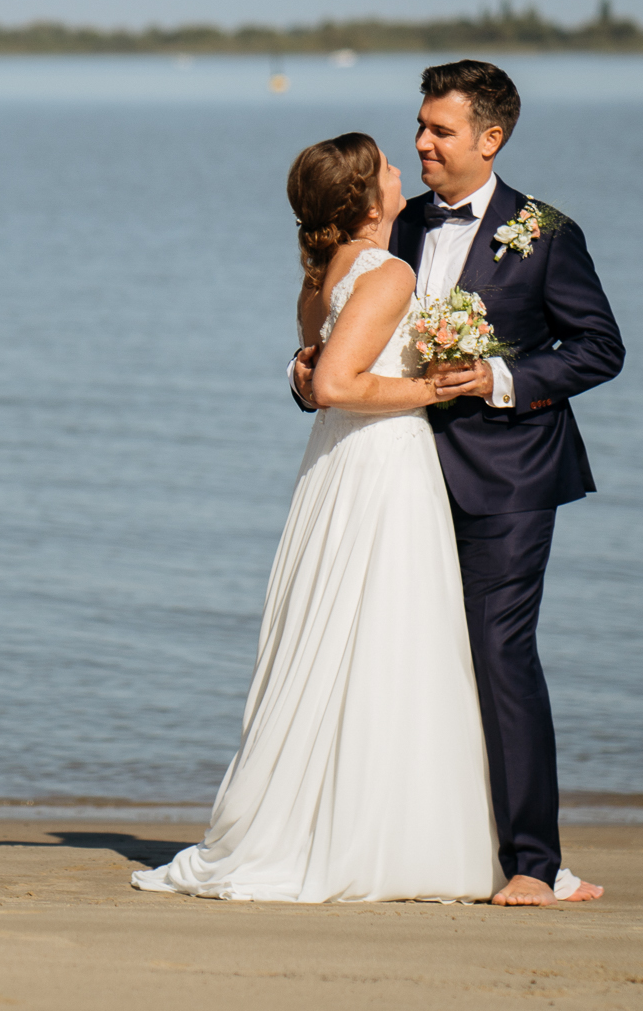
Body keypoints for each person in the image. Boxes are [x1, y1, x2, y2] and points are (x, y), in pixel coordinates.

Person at [132, 133, 500, 903]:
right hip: (382, 465)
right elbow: (334, 381)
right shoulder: (389, 271)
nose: (404, 168)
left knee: (338, 634)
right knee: (385, 636)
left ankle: (331, 817)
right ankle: (373, 835)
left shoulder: (321, 277)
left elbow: (310, 359)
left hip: (335, 470)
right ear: (368, 201)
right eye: (389, 167)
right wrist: (436, 391)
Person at [294, 60, 623, 906]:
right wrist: (304, 377)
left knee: (500, 655)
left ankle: (531, 863)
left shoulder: (545, 232)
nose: (421, 142)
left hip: (509, 476)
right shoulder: (393, 226)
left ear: (491, 137)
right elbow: (345, 343)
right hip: (398, 475)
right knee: (413, 660)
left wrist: (497, 378)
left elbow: (598, 348)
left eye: (439, 130)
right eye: (419, 126)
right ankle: (419, 840)